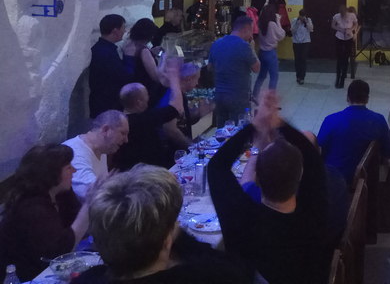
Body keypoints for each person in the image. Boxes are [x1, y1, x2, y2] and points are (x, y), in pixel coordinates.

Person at [208, 92, 330, 284]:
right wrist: (280, 124)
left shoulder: (240, 217)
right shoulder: (313, 215)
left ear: (257, 176)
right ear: (300, 175)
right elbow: (314, 161)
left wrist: (254, 126)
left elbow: (216, 166)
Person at [73, 165, 249, 284]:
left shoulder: (88, 279)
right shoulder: (208, 275)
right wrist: (176, 235)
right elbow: (238, 270)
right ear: (167, 240)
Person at [0, 145, 90, 282]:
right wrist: (88, 205)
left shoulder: (61, 194)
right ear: (52, 174)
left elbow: (82, 229)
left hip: (47, 270)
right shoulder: (31, 207)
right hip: (22, 277)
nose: (74, 170)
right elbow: (59, 251)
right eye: (68, 167)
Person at [317, 79, 390, 184]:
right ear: (367, 99)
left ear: (347, 98)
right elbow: (389, 152)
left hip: (335, 179)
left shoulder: (330, 120)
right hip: (366, 180)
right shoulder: (379, 120)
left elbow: (319, 149)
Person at [113, 59, 184, 171]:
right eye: (146, 96)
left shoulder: (119, 119)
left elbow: (159, 88)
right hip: (147, 173)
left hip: (129, 171)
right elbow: (177, 108)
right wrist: (174, 77)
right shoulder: (144, 120)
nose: (149, 98)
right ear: (139, 102)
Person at [62, 110, 129, 200]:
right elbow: (92, 193)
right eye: (123, 133)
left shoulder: (102, 150)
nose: (126, 140)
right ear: (106, 130)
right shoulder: (75, 152)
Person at [208, 16, 260, 124]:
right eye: (251, 31)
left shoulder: (217, 43)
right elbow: (256, 68)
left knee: (222, 128)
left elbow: (210, 67)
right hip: (239, 96)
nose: (251, 35)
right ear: (246, 29)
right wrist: (252, 48)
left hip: (220, 95)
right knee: (238, 128)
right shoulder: (244, 46)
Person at [88, 14, 135, 117]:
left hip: (101, 104)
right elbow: (124, 77)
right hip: (107, 107)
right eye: (123, 28)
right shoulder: (105, 52)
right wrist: (129, 56)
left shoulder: (100, 48)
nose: (125, 31)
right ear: (115, 31)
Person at [162, 62, 214, 152]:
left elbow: (182, 119)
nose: (197, 83)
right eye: (197, 79)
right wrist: (191, 145)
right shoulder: (173, 95)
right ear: (189, 79)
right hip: (173, 152)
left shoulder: (180, 94)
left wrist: (198, 112)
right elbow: (170, 129)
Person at [126, 18, 165, 108]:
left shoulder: (128, 45)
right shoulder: (144, 51)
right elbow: (155, 77)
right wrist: (164, 61)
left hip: (133, 87)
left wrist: (151, 52)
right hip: (145, 89)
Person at [253, 6, 286, 99]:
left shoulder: (260, 23)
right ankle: (270, 100)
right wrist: (278, 21)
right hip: (271, 53)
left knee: (261, 76)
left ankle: (254, 96)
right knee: (274, 77)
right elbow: (281, 35)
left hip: (262, 52)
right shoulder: (272, 24)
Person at [331, 5, 357, 89]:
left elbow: (355, 24)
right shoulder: (336, 16)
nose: (342, 15)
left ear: (346, 11)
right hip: (339, 37)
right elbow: (333, 25)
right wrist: (340, 29)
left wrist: (350, 30)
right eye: (341, 14)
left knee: (346, 59)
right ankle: (337, 78)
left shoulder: (352, 15)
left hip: (349, 37)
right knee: (339, 59)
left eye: (344, 14)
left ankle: (342, 79)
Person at [291, 9, 313, 85]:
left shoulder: (308, 20)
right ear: (299, 15)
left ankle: (302, 77)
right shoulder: (294, 20)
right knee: (297, 60)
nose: (302, 17)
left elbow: (311, 29)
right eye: (301, 16)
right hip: (296, 42)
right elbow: (292, 31)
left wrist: (306, 22)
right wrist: (297, 23)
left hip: (305, 42)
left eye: (303, 16)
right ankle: (298, 76)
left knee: (303, 59)